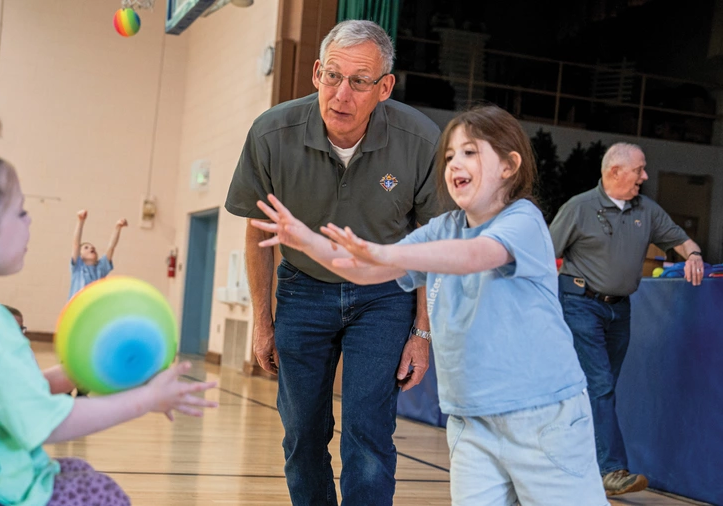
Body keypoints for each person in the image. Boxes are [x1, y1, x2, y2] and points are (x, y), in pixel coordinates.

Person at [250, 105, 608, 505]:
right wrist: (305, 239)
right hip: (472, 423)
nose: (455, 162)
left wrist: (387, 255)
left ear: (509, 166)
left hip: (542, 416)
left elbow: (475, 256)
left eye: (470, 152)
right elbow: (364, 271)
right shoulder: (444, 228)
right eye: (450, 155)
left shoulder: (523, 220)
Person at [0, 150, 217, 506]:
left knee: (79, 470)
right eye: (21, 212)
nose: (29, 222)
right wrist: (146, 399)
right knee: (103, 494)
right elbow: (47, 424)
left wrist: (83, 371)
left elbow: (3, 392)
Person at [224, 20, 440, 505]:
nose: (341, 94)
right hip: (303, 288)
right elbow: (259, 231)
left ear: (384, 88)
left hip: (385, 297)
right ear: (317, 72)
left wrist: (422, 333)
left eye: (360, 82)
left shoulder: (420, 141)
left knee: (368, 431)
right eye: (332, 76)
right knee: (302, 433)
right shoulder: (271, 133)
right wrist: (263, 320)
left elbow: (431, 246)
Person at [549, 142, 704, 496]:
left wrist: (693, 254)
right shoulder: (579, 207)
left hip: (620, 310)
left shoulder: (645, 209)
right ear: (615, 171)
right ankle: (611, 470)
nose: (645, 176)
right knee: (600, 385)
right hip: (580, 304)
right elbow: (545, 255)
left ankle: (562, 459)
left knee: (597, 390)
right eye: (639, 169)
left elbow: (679, 239)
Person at [70, 210, 127, 299]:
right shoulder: (78, 267)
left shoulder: (100, 268)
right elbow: (76, 244)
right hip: (77, 310)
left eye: (93, 248)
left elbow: (111, 247)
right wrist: (80, 221)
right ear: (80, 256)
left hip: (93, 310)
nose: (91, 248)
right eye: (86, 247)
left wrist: (118, 228)